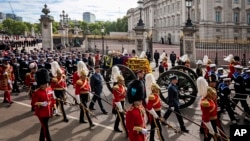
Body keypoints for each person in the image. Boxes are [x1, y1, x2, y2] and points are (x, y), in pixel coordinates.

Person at [31, 68, 55, 141]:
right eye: (44, 84)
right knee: (46, 128)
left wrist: (54, 106)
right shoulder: (37, 92)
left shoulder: (49, 89)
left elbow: (52, 99)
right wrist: (41, 103)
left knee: (43, 127)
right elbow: (33, 103)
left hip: (49, 111)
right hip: (41, 113)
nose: (45, 85)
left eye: (46, 83)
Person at [197, 77, 221, 141]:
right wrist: (211, 130)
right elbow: (205, 118)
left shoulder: (210, 95)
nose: (215, 96)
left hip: (213, 117)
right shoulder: (206, 103)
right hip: (210, 121)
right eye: (214, 94)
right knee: (211, 135)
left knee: (210, 136)